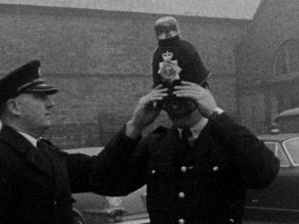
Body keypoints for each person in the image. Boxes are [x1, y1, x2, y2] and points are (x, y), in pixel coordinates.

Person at [91, 72, 280, 223]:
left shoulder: (227, 140)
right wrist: (135, 125)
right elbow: (104, 181)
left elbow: (265, 173)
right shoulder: (156, 144)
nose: (175, 107)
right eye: (169, 98)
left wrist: (217, 114)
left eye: (184, 97)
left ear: (204, 92)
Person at [0, 60, 122, 224]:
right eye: (40, 97)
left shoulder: (45, 151)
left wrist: (132, 129)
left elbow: (96, 171)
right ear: (14, 107)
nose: (51, 104)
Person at [152, 16, 210, 87]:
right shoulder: (186, 47)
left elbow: (157, 87)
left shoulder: (157, 54)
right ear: (177, 30)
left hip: (167, 96)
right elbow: (202, 78)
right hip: (192, 93)